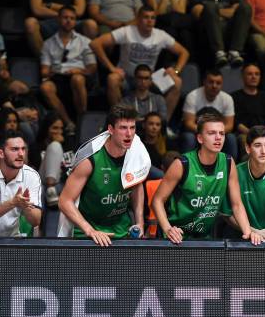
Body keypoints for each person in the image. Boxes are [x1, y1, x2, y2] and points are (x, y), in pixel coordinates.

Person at [151, 111, 261, 244]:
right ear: (200, 138)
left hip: (204, 238)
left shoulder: (228, 162)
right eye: (212, 133)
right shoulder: (181, 164)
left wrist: (248, 232)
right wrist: (168, 229)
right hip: (175, 237)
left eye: (221, 133)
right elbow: (157, 200)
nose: (218, 138)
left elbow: (236, 204)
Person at [58, 104, 146, 246]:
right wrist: (90, 231)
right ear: (110, 129)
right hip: (88, 234)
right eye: (123, 128)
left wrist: (140, 223)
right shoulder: (90, 159)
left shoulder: (136, 153)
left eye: (132, 128)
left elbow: (137, 185)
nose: (129, 134)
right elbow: (64, 201)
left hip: (122, 231)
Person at [89, 5, 187, 114]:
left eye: (152, 18)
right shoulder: (126, 31)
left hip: (150, 78)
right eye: (146, 17)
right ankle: (119, 120)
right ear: (138, 19)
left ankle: (163, 124)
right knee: (112, 79)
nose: (149, 21)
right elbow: (95, 44)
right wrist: (111, 67)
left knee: (177, 82)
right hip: (126, 77)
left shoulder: (160, 35)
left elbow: (184, 53)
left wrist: (176, 70)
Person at [40, 5, 97, 135]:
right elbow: (44, 70)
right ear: (58, 19)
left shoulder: (84, 41)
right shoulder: (48, 43)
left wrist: (79, 71)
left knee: (77, 79)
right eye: (65, 17)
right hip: (58, 76)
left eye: (72, 18)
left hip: (79, 76)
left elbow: (92, 68)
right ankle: (68, 123)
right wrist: (51, 72)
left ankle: (82, 120)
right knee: (45, 87)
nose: (68, 21)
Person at [181, 69, 237, 158]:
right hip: (197, 132)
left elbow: (229, 126)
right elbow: (189, 123)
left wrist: (214, 134)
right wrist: (206, 133)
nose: (214, 86)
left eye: (218, 83)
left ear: (222, 85)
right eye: (211, 82)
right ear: (204, 82)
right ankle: (187, 167)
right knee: (189, 137)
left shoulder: (227, 99)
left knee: (231, 138)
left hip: (217, 133)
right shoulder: (192, 96)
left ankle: (230, 167)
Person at [189, 0, 252, 67]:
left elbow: (236, 11)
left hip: (228, 31)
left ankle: (234, 52)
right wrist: (224, 12)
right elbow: (198, 12)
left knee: (246, 7)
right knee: (210, 6)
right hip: (207, 33)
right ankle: (219, 52)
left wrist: (214, 13)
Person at [24, 0, 98, 56]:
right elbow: (37, 9)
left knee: (91, 25)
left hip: (71, 21)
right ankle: (44, 60)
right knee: (30, 23)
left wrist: (51, 5)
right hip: (47, 22)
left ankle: (80, 61)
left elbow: (79, 11)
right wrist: (61, 15)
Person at [29, 111, 71, 208]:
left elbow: (70, 167)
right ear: (46, 129)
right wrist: (55, 144)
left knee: (56, 145)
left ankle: (51, 191)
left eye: (61, 128)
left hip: (63, 179)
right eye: (55, 128)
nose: (59, 132)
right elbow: (37, 167)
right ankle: (51, 190)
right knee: (55, 146)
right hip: (43, 180)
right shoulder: (36, 147)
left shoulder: (68, 144)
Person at [231, 63, 265, 151]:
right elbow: (236, 123)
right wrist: (252, 134)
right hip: (245, 133)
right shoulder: (234, 97)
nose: (254, 77)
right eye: (250, 74)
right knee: (246, 142)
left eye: (257, 74)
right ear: (243, 76)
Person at [144, 150, 180, 237]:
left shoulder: (149, 186)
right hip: (181, 237)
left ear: (162, 168)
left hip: (154, 241)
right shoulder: (190, 188)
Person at [140, 111, 167, 179]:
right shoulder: (138, 143)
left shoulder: (167, 143)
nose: (154, 127)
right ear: (144, 125)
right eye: (151, 124)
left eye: (158, 125)